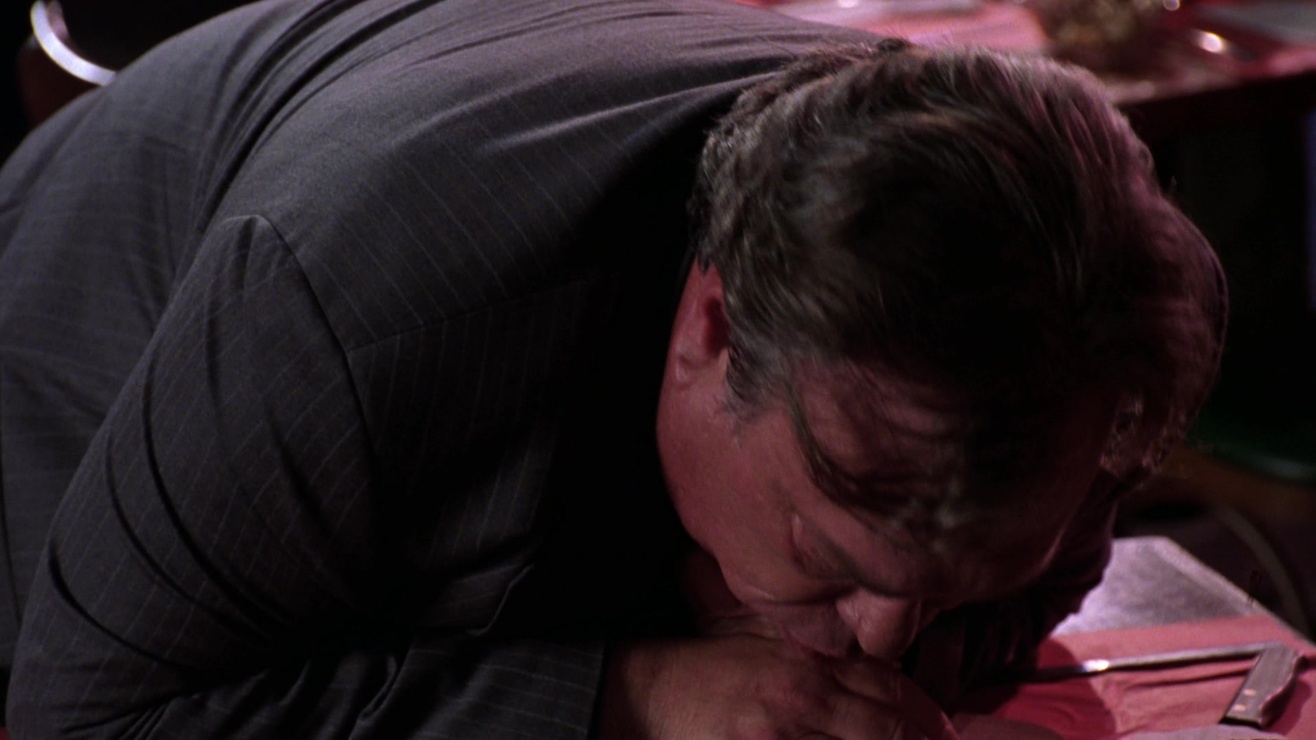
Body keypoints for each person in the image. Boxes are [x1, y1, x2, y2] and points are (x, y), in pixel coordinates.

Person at [0, 0, 1224, 736]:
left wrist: (928, 661)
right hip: (59, 437)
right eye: (831, 554)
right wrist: (629, 697)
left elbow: (1043, 572)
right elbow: (93, 715)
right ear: (713, 327)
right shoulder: (341, 310)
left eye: (950, 586)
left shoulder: (1078, 320)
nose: (880, 640)